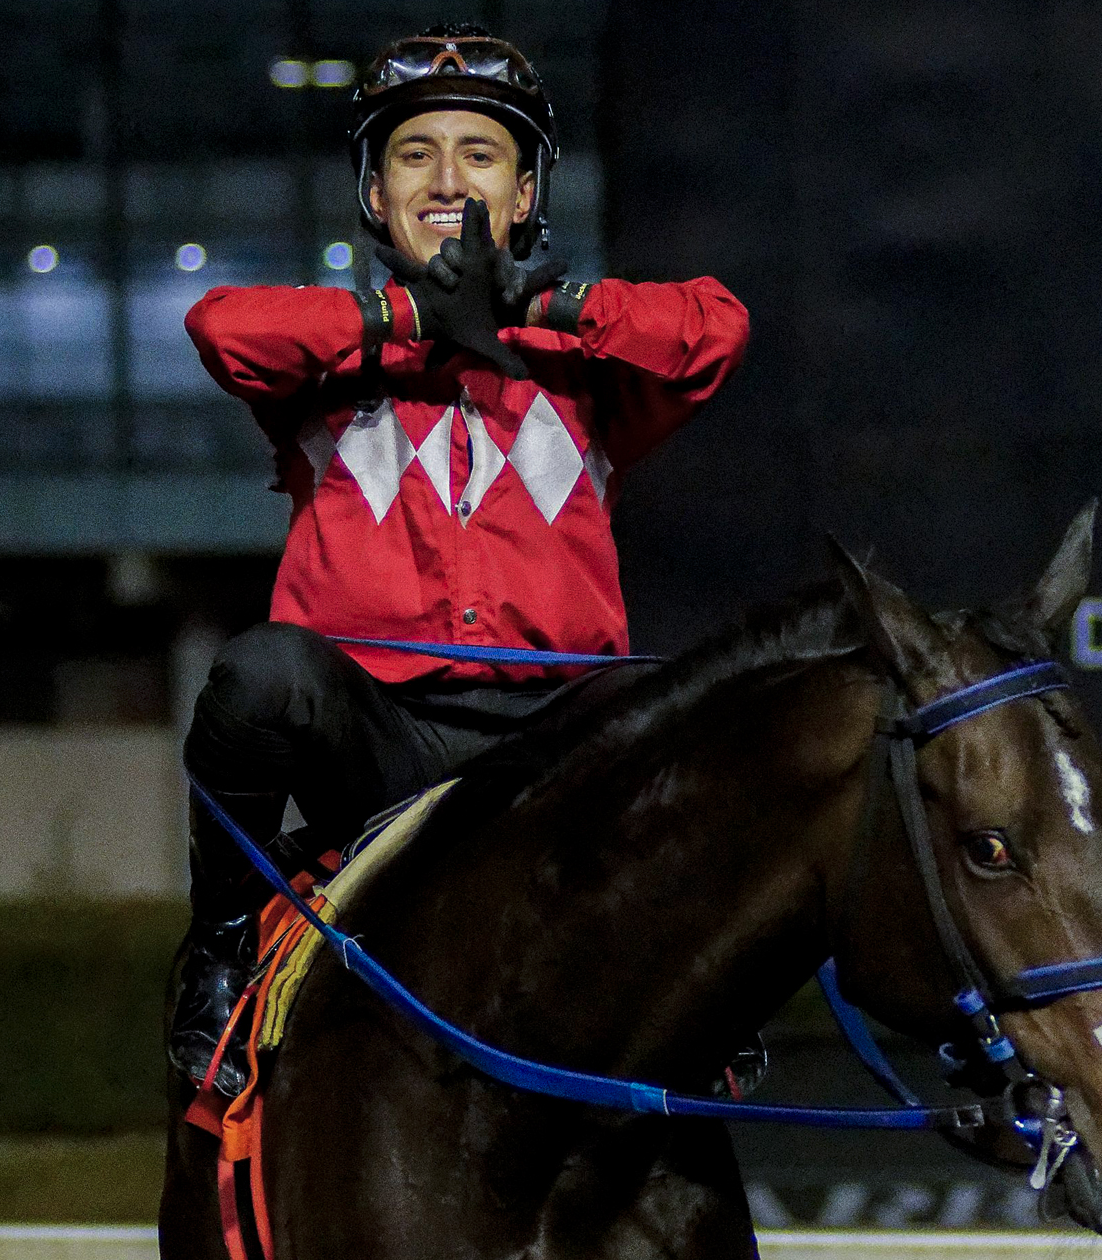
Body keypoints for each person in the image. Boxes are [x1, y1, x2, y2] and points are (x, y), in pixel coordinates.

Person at [172, 21, 749, 1093]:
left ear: (526, 196)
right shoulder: (327, 349)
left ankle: (705, 989)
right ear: (375, 195)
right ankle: (218, 943)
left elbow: (715, 328)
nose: (447, 178)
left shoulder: (586, 364)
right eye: (414, 154)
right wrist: (405, 315)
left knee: (694, 701)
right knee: (260, 674)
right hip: (379, 738)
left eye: (481, 155)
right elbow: (221, 327)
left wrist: (534, 303)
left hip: (552, 734)